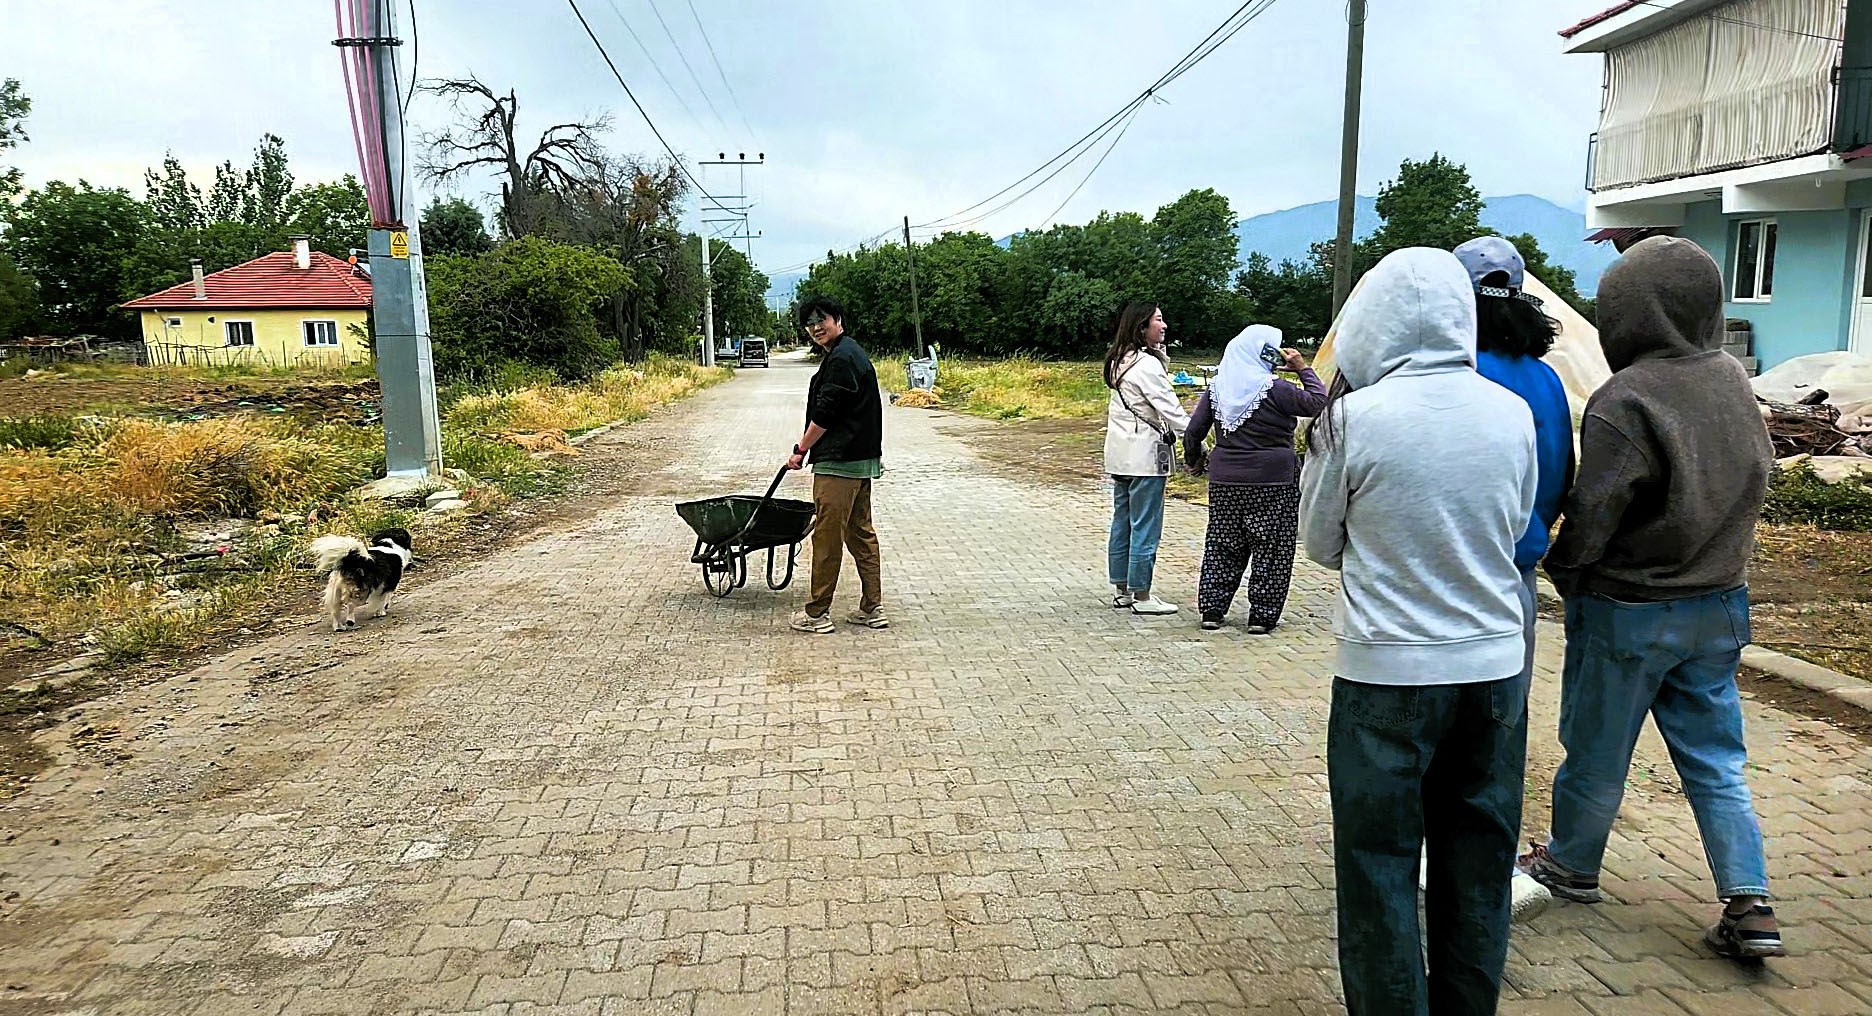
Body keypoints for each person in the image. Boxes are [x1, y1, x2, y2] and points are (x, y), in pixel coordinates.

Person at [1519, 237, 1784, 960]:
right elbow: (1759, 474)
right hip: (1720, 604)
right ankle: (1749, 899)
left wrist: (1566, 572)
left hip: (1630, 611)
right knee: (1716, 760)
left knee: (1598, 752)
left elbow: (1594, 514)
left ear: (1626, 316)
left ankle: (1570, 865)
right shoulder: (1731, 377)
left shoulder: (1625, 399)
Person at [1299, 247, 1536, 1016]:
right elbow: (1516, 524)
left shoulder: (1352, 419)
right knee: (1479, 860)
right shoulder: (1513, 411)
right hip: (1496, 666)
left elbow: (1320, 543)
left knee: (1378, 864)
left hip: (1385, 674)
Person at [1453, 236, 1576, 677]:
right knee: (1504, 719)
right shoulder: (1547, 379)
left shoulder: (1455, 373)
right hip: (1518, 570)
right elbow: (1561, 474)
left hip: (1450, 576)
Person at [1184, 324, 1327, 633]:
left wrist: (1194, 462)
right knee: (1272, 548)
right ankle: (1262, 616)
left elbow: (1193, 432)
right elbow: (1318, 401)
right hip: (1274, 481)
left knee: (1223, 545)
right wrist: (1303, 369)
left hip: (1225, 481)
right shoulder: (1277, 389)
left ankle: (1212, 610)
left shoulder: (1218, 389)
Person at [783, 295, 887, 634]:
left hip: (840, 464)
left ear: (838, 319)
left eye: (821, 320)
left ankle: (817, 614)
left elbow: (825, 415)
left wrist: (800, 449)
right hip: (861, 461)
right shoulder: (849, 352)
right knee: (860, 534)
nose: (815, 327)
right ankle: (872, 608)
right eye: (810, 323)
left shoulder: (842, 358)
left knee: (827, 540)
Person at [1103, 302, 1190, 616]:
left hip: (1120, 454)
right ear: (1142, 327)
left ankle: (1123, 589)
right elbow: (1170, 408)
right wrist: (1197, 439)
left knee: (1122, 522)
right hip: (1144, 457)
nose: (1164, 325)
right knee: (1145, 525)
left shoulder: (1119, 360)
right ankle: (1143, 594)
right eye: (1158, 320)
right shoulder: (1146, 365)